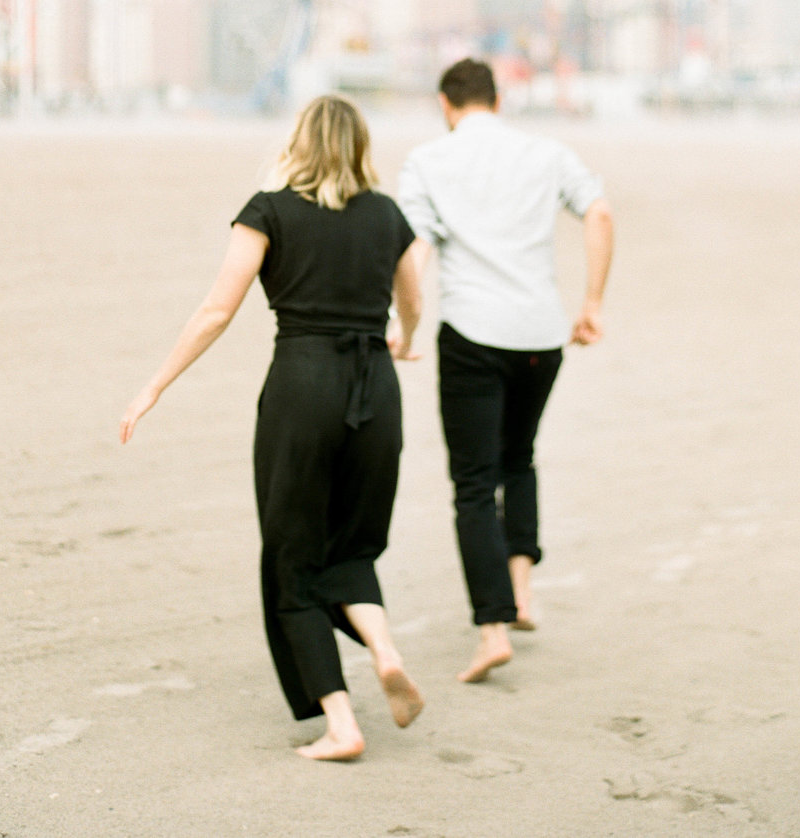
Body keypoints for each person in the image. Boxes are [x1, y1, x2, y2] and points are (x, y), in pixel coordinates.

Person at [119, 95, 424, 761]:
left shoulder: (267, 209)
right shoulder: (386, 214)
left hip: (303, 386)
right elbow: (412, 298)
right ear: (359, 145)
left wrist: (155, 384)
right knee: (352, 550)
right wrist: (402, 337)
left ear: (298, 141)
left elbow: (216, 309)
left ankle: (341, 722)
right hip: (378, 387)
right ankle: (384, 647)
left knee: (292, 557)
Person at [398, 57, 614, 683]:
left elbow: (414, 249)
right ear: (498, 100)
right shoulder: (546, 152)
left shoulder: (428, 162)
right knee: (518, 458)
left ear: (446, 104)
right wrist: (591, 304)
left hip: (472, 334)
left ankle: (492, 627)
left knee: (472, 483)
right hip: (542, 335)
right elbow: (598, 212)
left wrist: (403, 325)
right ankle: (521, 592)